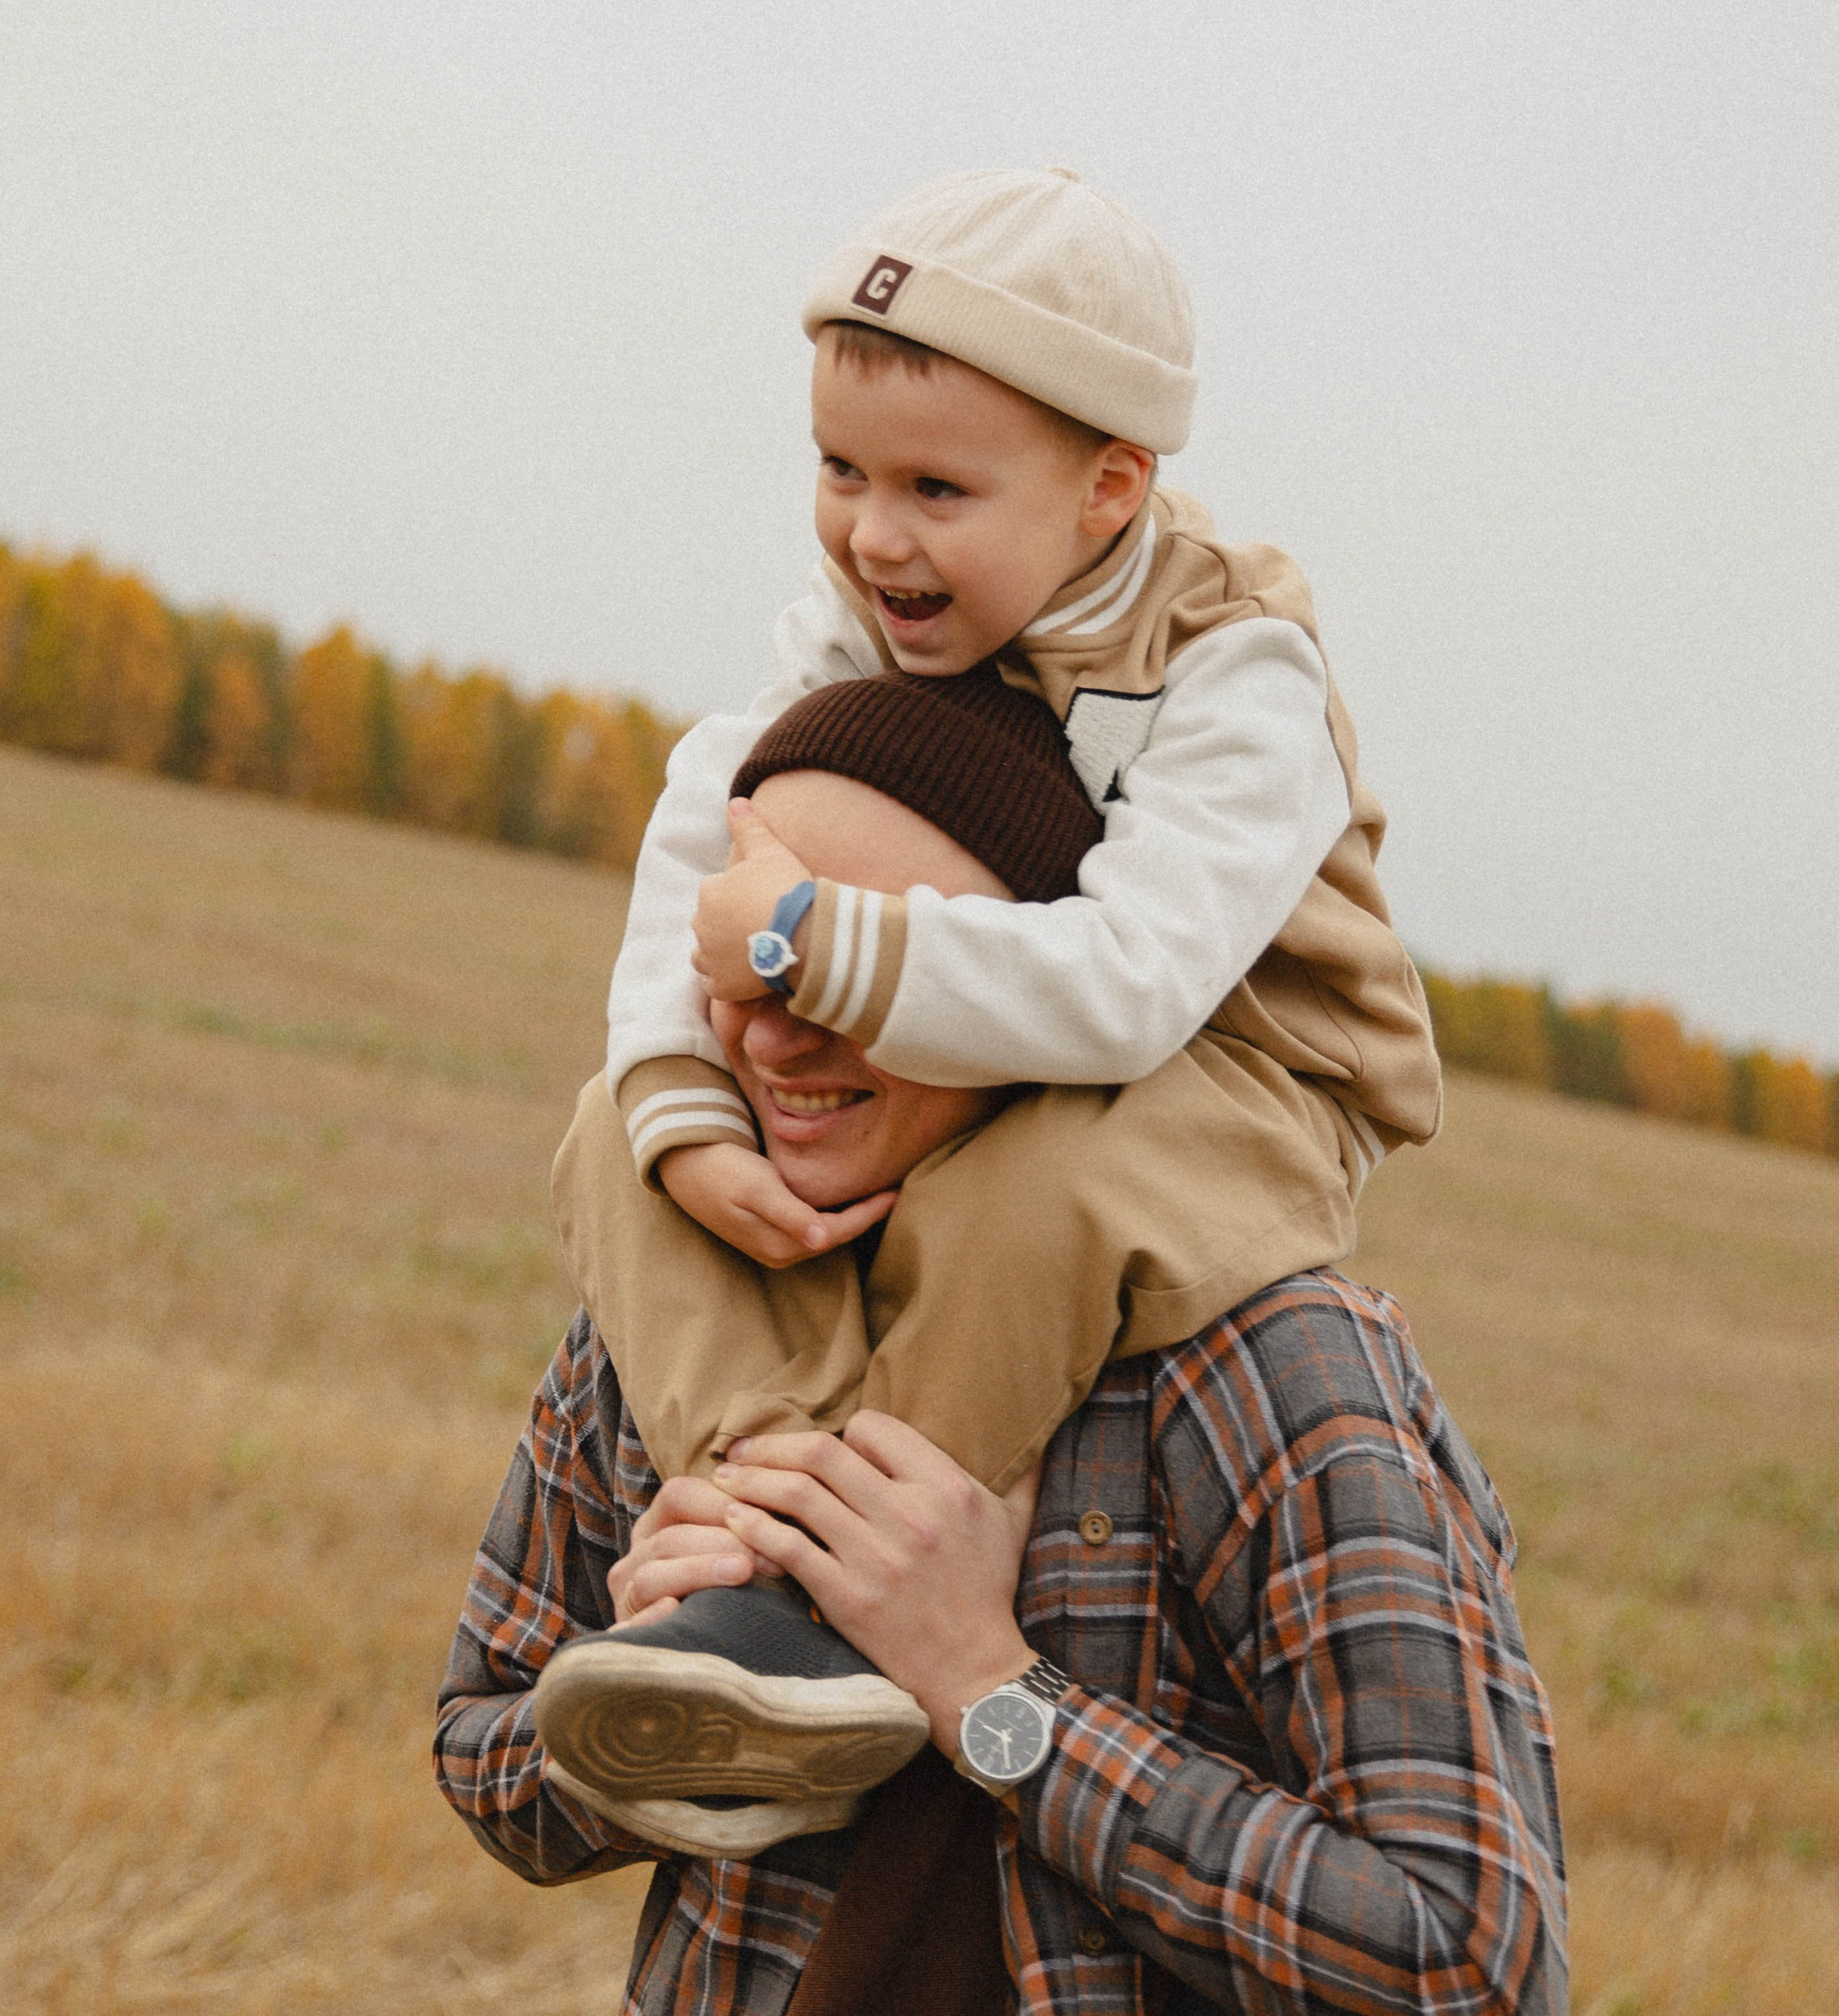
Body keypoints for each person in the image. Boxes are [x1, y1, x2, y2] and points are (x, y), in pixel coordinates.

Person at [434, 750, 1569, 2016]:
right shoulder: (688, 1310)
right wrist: (619, 1700)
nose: (766, 1016)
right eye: (742, 937)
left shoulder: (1273, 1367)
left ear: (1041, 979)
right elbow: (485, 1760)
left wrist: (994, 1695)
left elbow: (1472, 1982)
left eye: (861, 952)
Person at [554, 165, 1444, 1539]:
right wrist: (679, 1088)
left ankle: (866, 1546)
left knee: (1025, 1204)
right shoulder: (874, 601)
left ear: (1109, 488)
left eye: (936, 487)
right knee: (622, 1134)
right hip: (989, 1028)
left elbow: (1135, 983)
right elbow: (714, 809)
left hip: (1241, 1068)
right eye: (839, 468)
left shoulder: (1235, 664)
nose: (872, 533)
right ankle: (751, 1501)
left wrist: (808, 940)